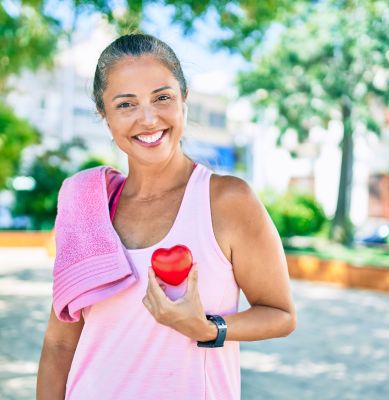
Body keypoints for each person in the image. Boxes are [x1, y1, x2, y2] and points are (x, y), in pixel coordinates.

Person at [36, 33, 296, 400]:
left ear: (183, 100)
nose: (148, 118)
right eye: (126, 104)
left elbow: (281, 314)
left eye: (163, 97)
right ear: (104, 115)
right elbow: (60, 344)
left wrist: (208, 328)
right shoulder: (86, 206)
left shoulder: (227, 200)